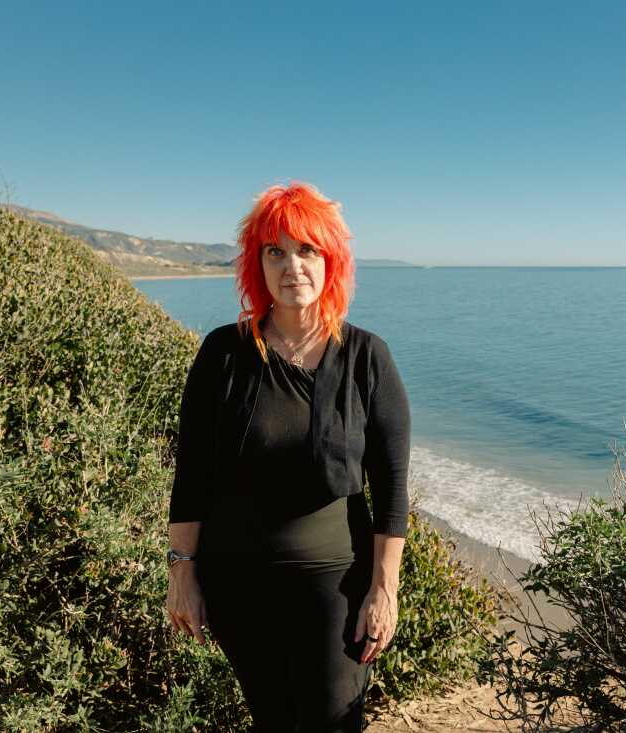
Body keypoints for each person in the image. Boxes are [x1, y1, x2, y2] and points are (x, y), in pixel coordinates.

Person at [164, 181, 411, 732]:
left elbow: (392, 487)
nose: (292, 266)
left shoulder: (367, 358)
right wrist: (182, 573)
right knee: (274, 720)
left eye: (307, 250)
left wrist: (384, 589)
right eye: (275, 251)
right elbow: (193, 474)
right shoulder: (223, 353)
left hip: (336, 582)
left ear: (331, 261)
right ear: (257, 265)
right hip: (239, 584)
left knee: (333, 721)